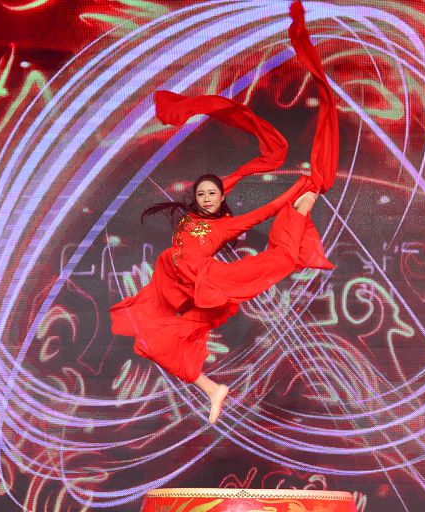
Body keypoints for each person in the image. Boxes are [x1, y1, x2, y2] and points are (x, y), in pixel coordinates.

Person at [110, 0, 336, 425]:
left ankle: (305, 205)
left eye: (214, 194)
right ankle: (213, 389)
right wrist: (194, 110)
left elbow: (262, 212)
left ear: (219, 200)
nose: (209, 197)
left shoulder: (222, 226)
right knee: (147, 337)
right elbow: (223, 182)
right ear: (198, 198)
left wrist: (298, 189)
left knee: (159, 338)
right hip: (169, 282)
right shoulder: (193, 216)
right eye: (204, 193)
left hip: (208, 283)